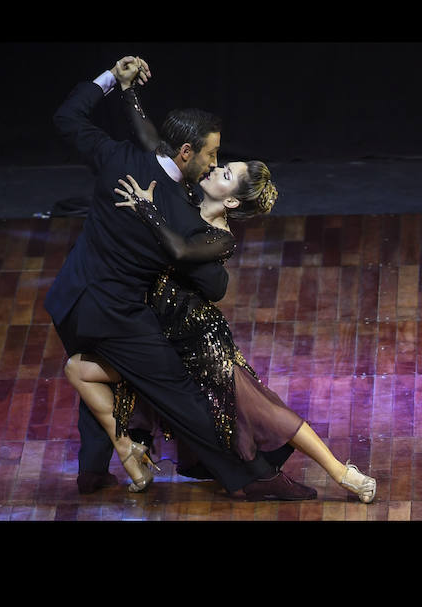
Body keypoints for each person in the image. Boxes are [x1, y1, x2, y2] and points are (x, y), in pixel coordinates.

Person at [65, 63, 377, 503]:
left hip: (201, 344)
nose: (213, 167)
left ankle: (343, 474)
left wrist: (144, 208)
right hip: (162, 333)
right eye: (216, 160)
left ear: (229, 198)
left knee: (265, 413)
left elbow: (178, 252)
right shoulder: (188, 195)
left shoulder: (220, 239)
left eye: (223, 171)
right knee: (78, 368)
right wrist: (128, 91)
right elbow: (158, 142)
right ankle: (129, 451)